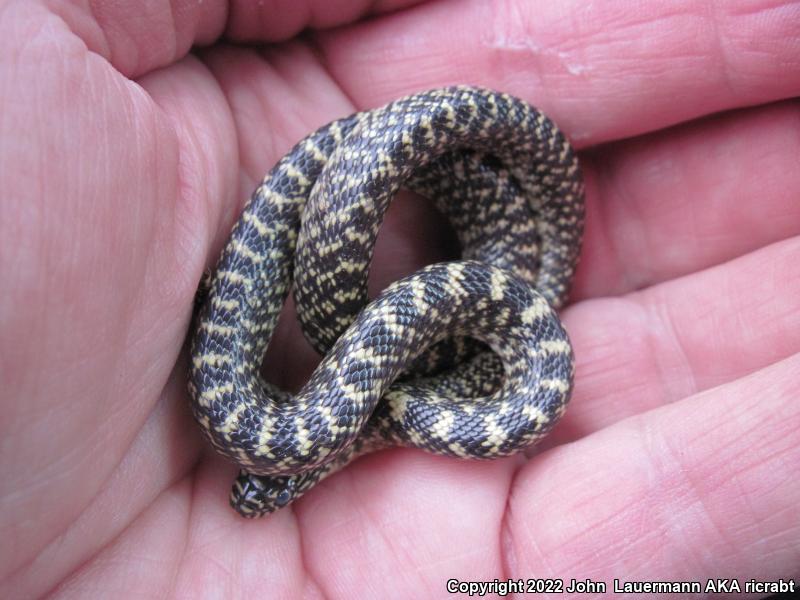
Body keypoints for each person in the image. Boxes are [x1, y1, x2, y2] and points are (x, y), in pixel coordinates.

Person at [1, 0, 798, 597]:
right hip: (416, 312)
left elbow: (370, 389)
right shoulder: (309, 416)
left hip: (438, 306)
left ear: (316, 467)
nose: (261, 481)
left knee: (411, 294)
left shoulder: (383, 397)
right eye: (275, 480)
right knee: (386, 303)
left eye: (277, 478)